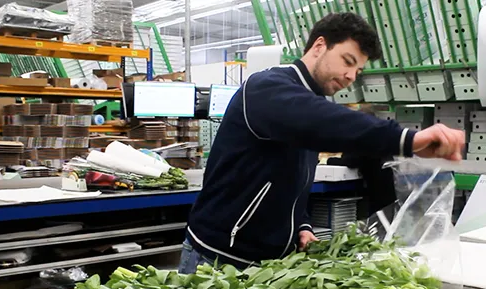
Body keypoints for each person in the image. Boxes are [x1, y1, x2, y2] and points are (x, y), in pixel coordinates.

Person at [178, 12, 465, 273]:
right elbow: (326, 121)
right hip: (216, 259)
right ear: (319, 47)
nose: (351, 76)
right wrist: (407, 140)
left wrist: (300, 225)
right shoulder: (266, 88)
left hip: (267, 265)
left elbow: (288, 179)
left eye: (358, 71)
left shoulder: (308, 105)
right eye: (347, 61)